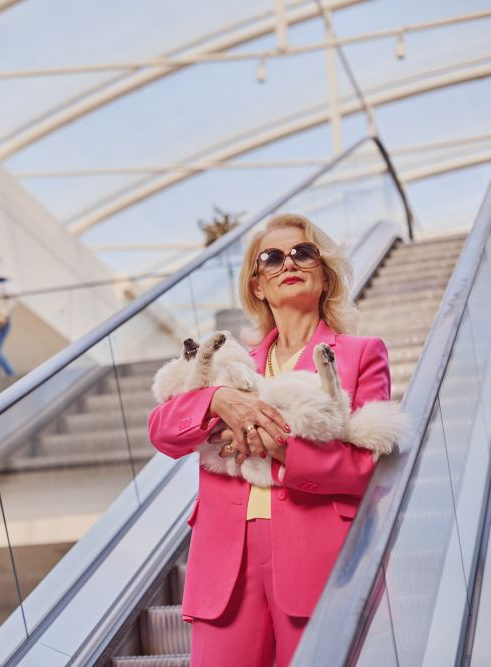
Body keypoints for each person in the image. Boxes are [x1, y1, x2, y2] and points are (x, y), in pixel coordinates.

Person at [148, 213, 391, 666]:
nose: (288, 263)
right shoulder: (229, 361)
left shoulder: (361, 354)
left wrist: (279, 446)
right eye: (272, 258)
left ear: (324, 274)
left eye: (303, 252)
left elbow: (366, 468)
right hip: (226, 565)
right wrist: (217, 399)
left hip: (317, 558)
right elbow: (162, 430)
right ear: (258, 285)